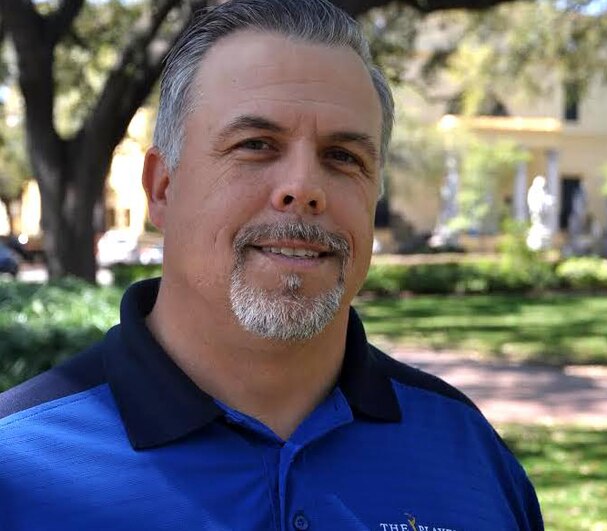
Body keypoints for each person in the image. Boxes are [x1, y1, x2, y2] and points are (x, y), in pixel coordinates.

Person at [0, 1, 543, 529]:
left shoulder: (469, 457)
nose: (303, 188)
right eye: (256, 144)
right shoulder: (19, 465)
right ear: (162, 189)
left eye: (343, 157)